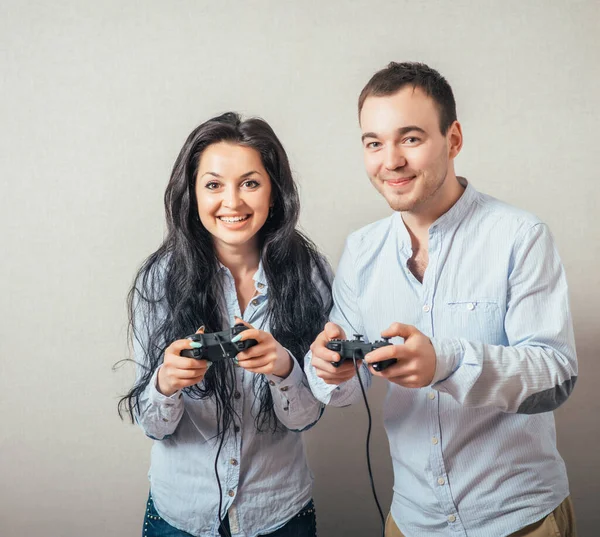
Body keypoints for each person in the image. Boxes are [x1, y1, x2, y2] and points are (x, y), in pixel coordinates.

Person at [305, 62, 578, 537]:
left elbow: (555, 376)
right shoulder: (362, 250)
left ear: (452, 140)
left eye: (410, 138)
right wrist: (327, 368)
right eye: (374, 143)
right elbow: (345, 389)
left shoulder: (520, 236)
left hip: (519, 522)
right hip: (411, 522)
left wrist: (445, 363)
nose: (390, 161)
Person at [119, 112, 331, 537]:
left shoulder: (310, 275)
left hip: (279, 511)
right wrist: (167, 382)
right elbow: (153, 426)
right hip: (181, 515)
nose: (232, 202)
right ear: (192, 194)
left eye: (250, 183)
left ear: (274, 192)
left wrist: (284, 369)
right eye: (213, 184)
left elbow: (306, 417)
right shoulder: (159, 280)